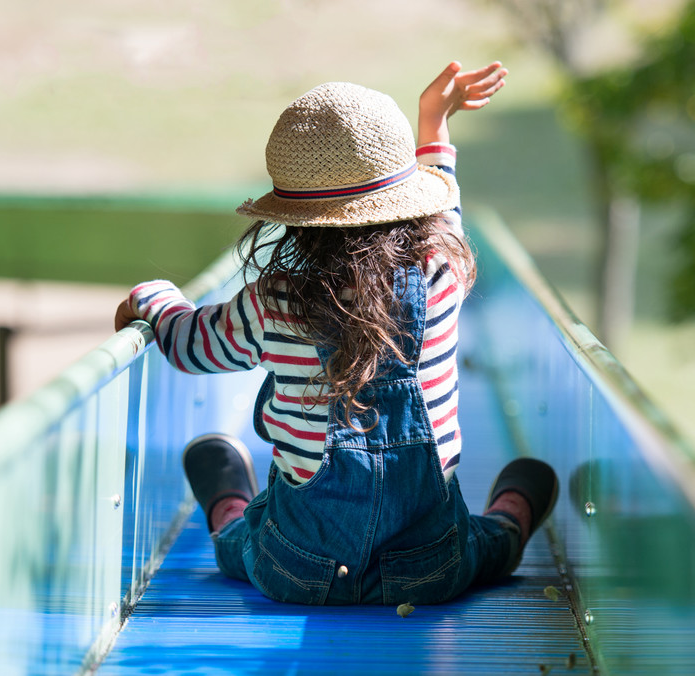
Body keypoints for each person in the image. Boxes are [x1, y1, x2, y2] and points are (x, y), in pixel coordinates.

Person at [113, 61, 558, 606]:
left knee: (241, 544)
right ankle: (512, 512)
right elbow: (447, 216)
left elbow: (189, 345)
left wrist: (152, 297)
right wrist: (434, 124)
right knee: (486, 547)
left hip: (299, 570)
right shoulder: (442, 272)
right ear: (409, 202)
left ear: (296, 218)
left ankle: (227, 503)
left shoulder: (273, 304)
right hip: (429, 569)